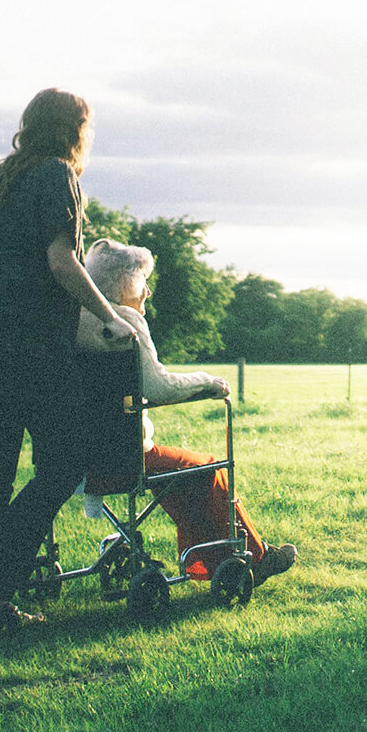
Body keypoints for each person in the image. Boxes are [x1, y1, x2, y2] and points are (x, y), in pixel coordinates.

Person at [0, 88, 136, 628]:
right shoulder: (57, 177)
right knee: (64, 464)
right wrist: (109, 316)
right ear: (75, 129)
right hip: (28, 353)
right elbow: (62, 261)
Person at [74, 239, 297, 585]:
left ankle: (207, 563)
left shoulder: (75, 319)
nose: (147, 291)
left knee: (182, 474)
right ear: (122, 284)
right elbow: (158, 388)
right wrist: (206, 381)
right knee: (207, 468)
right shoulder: (125, 320)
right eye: (142, 280)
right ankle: (255, 556)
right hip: (125, 458)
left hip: (80, 458)